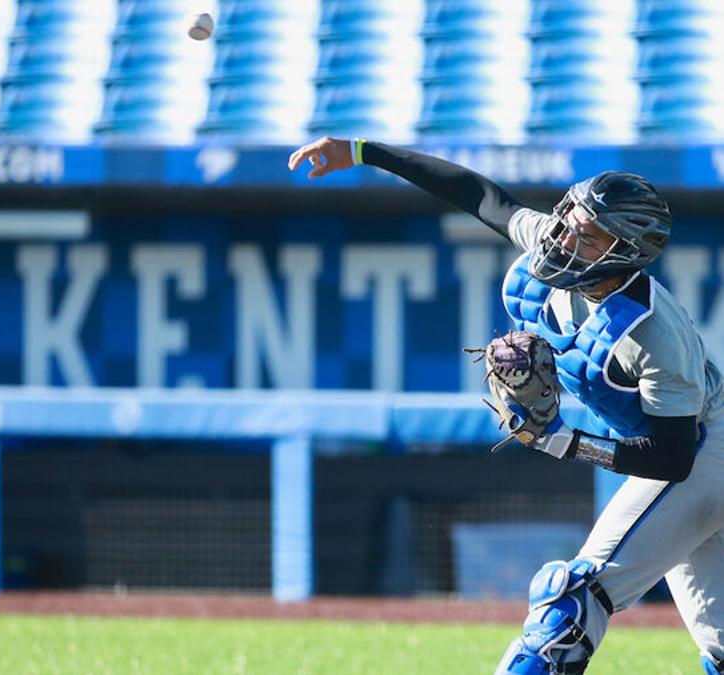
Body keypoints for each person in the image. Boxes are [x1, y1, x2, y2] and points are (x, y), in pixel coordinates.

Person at [289, 137, 724, 674]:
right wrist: (363, 152)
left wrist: (564, 441)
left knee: (571, 600)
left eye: (585, 236)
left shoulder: (654, 333)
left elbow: (674, 459)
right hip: (692, 458)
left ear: (625, 251)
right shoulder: (554, 245)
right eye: (567, 218)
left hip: (705, 452)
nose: (562, 236)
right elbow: (480, 195)